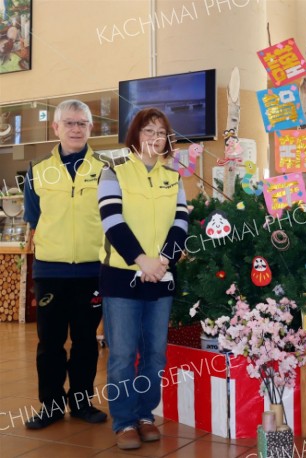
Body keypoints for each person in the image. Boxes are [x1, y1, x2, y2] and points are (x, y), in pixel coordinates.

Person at [98, 107, 189, 449]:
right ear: (135, 135)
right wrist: (141, 260)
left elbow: (180, 222)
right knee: (122, 353)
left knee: (155, 353)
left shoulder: (173, 176)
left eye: (161, 132)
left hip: (161, 277)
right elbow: (111, 219)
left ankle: (145, 414)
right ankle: (123, 422)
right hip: (123, 276)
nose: (155, 137)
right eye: (148, 131)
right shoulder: (113, 171)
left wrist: (163, 260)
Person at [23, 99, 107, 429]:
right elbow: (33, 219)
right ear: (55, 128)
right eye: (69, 123)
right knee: (51, 343)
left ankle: (82, 402)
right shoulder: (37, 170)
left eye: (82, 123)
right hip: (50, 272)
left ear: (90, 128)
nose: (75, 129)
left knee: (86, 341)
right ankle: (52, 406)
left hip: (92, 271)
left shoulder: (104, 170)